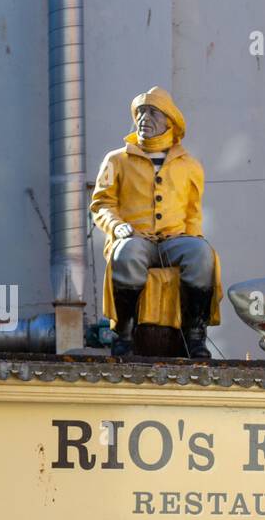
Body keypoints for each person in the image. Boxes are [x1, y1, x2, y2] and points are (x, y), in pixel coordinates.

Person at [90, 87, 222, 359]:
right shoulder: (116, 160)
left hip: (175, 240)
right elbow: (101, 204)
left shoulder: (190, 166)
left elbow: (192, 214)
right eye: (139, 112)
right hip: (136, 238)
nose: (143, 118)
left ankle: (194, 335)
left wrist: (193, 239)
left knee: (201, 255)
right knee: (127, 253)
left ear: (169, 122)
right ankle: (124, 335)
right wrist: (117, 226)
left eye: (152, 112)